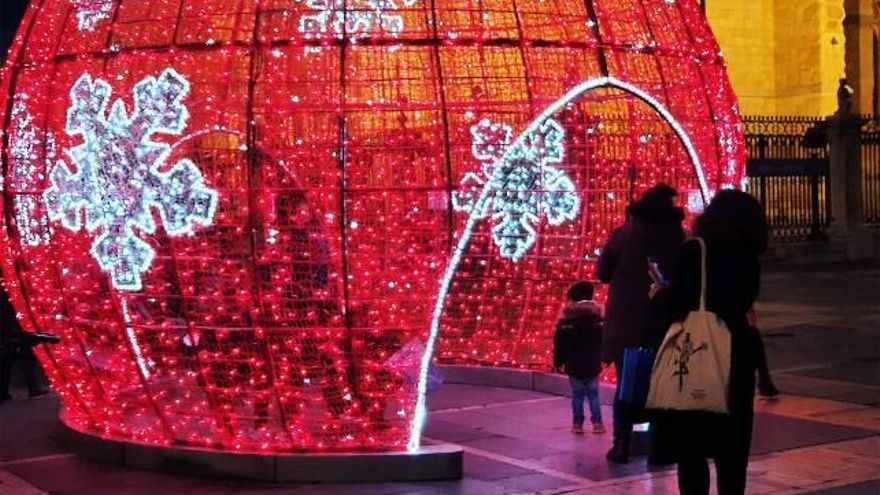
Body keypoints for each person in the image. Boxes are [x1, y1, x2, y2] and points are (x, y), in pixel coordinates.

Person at [652, 190, 768, 495]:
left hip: (698, 355)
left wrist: (660, 294)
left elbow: (679, 304)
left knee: (692, 451)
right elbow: (739, 303)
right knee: (733, 452)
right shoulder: (749, 258)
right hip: (737, 357)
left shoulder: (695, 252)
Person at [597, 183, 686, 462]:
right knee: (663, 387)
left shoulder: (624, 235)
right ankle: (659, 448)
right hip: (665, 326)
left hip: (628, 328)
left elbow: (602, 272)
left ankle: (621, 444)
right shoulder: (680, 238)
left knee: (627, 385)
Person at [553, 281, 605, 434]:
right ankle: (597, 424)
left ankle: (577, 424)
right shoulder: (598, 319)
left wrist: (558, 361)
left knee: (577, 396)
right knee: (594, 395)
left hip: (573, 363)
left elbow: (559, 343)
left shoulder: (566, 321)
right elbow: (603, 340)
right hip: (592, 363)